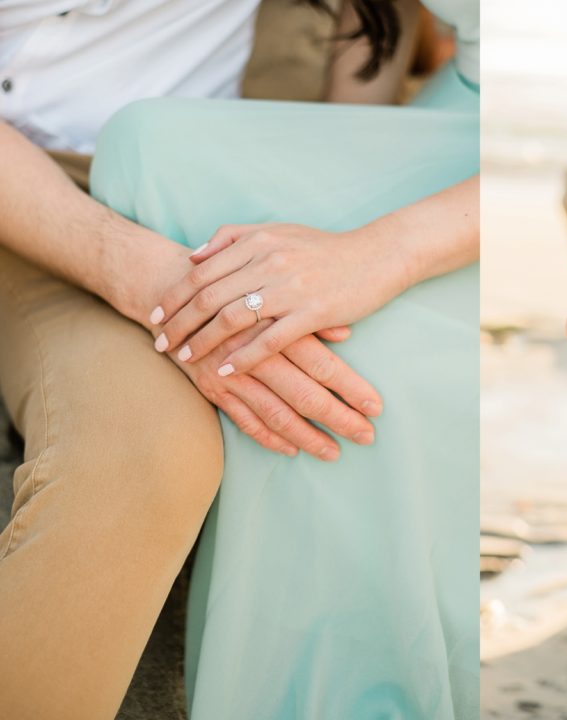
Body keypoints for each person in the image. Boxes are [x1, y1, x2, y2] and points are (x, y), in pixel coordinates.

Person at [0, 1, 472, 718]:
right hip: (44, 199)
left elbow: (354, 99)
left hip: (202, 198)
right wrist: (149, 278)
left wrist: (343, 263)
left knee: (154, 450)